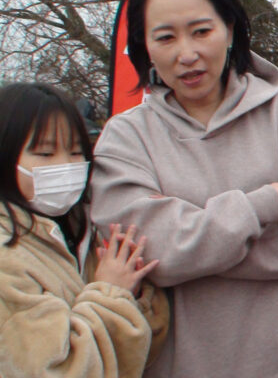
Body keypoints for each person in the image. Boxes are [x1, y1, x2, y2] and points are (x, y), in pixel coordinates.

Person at [89, 0, 278, 377]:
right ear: (144, 46)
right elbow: (144, 251)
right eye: (165, 37)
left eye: (201, 31)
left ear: (230, 29)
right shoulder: (126, 137)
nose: (187, 54)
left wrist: (185, 247)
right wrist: (258, 209)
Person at [0, 82, 165, 377]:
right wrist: (112, 293)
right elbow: (57, 369)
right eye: (45, 153)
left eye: (76, 152)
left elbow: (140, 355)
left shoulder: (84, 231)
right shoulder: (7, 257)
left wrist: (137, 293)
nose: (65, 166)